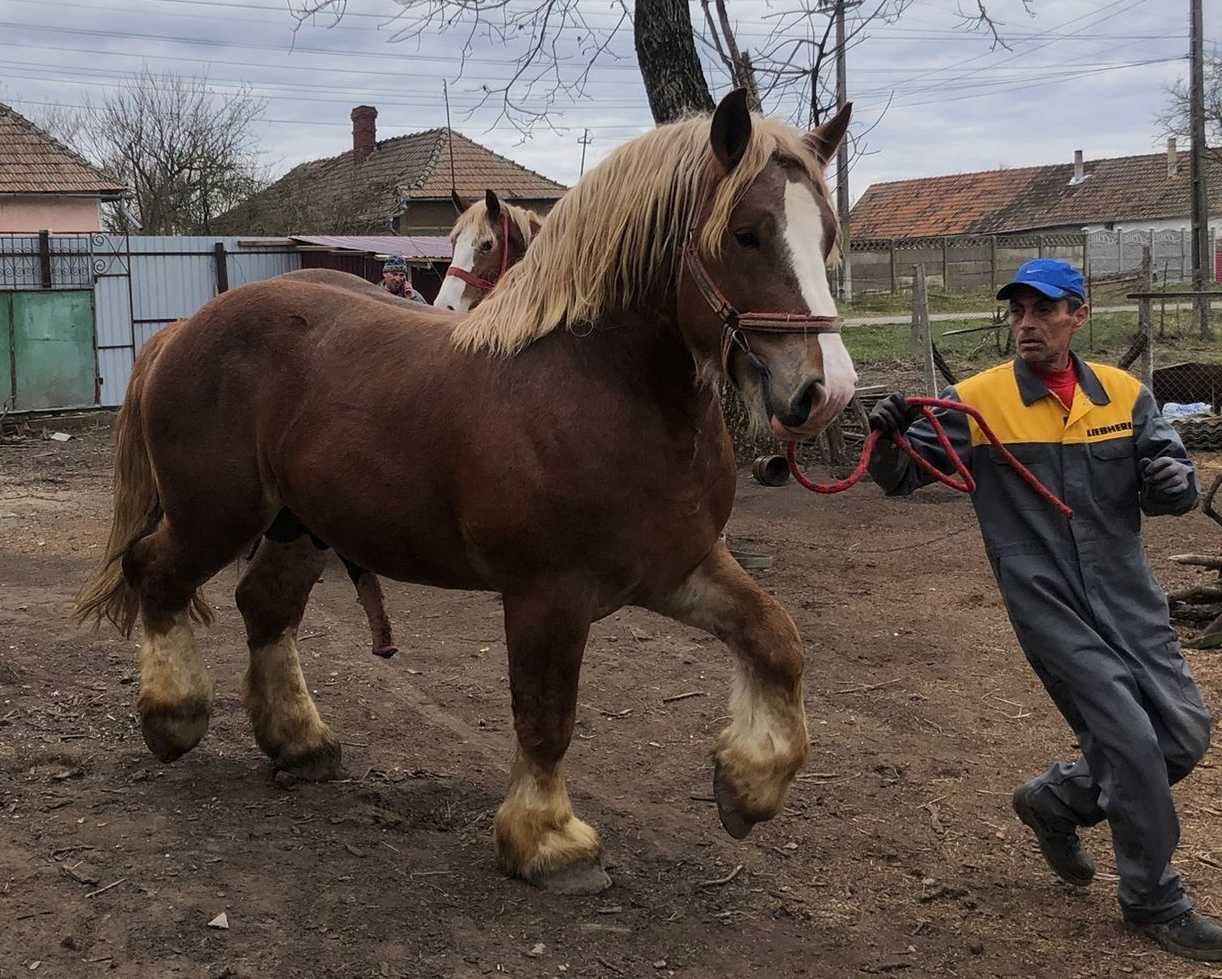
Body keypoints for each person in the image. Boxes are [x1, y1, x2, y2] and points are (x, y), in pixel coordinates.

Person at [867, 258, 1220, 962]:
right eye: (1018, 311)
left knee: (1181, 735)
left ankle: (1055, 801)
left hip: (1129, 596)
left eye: (1043, 310)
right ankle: (1154, 898)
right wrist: (887, 435)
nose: (1026, 323)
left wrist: (1174, 481)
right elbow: (900, 477)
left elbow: (1169, 489)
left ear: (1077, 317)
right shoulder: (978, 400)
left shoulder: (1125, 394)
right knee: (1127, 736)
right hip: (1049, 601)